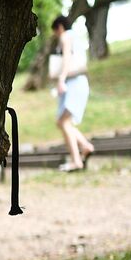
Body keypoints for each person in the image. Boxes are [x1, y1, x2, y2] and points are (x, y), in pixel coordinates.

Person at [49, 15, 94, 172]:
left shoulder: (66, 36)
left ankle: (76, 161)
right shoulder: (77, 37)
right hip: (78, 82)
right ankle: (85, 146)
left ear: (59, 27)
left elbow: (67, 57)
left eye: (55, 31)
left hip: (73, 82)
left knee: (64, 122)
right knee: (62, 122)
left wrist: (61, 79)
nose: (56, 34)